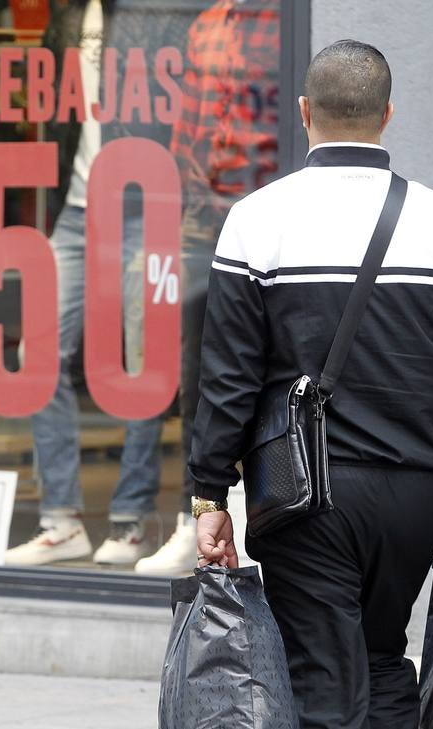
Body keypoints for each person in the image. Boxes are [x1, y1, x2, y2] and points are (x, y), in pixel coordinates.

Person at [189, 41, 433, 729]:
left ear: (304, 113)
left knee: (324, 681)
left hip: (306, 495)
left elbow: (226, 375)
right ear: (389, 117)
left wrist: (207, 492)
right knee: (379, 658)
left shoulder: (258, 220)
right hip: (414, 495)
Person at [5, 0, 193, 568]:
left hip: (145, 202)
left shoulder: (155, 14)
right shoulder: (67, 15)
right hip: (77, 207)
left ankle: (130, 519)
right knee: (37, 353)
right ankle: (61, 520)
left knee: (142, 361)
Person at [137, 0, 281, 575]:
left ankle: (271, 517)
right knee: (198, 377)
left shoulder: (278, 22)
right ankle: (197, 514)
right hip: (206, 219)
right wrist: (182, 219)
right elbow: (190, 133)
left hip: (271, 217)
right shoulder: (211, 22)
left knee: (280, 374)